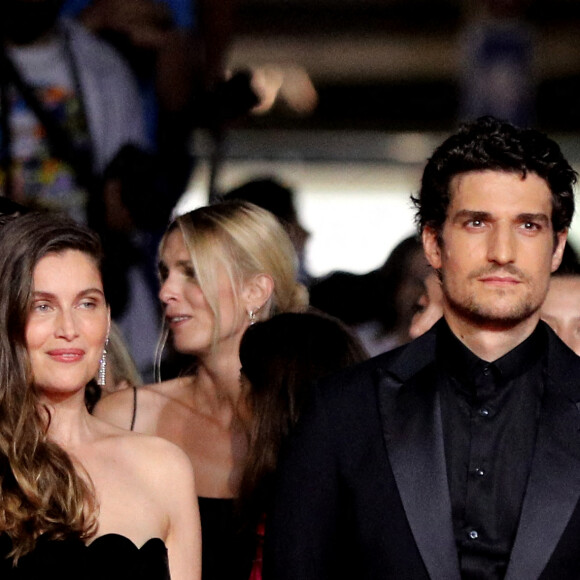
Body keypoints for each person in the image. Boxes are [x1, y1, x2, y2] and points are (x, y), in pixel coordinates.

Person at [263, 116, 580, 580]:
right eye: (477, 223)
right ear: (433, 243)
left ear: (555, 249)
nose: (503, 252)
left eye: (528, 226)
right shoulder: (342, 411)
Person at [94, 200, 308, 580]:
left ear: (255, 290)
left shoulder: (308, 417)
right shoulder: (126, 415)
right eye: (165, 273)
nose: (166, 292)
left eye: (191, 273)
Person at [0, 212, 201, 579]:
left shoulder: (163, 468)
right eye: (42, 306)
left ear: (108, 319)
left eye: (86, 304)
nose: (69, 328)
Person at [237, 310, 369, 579]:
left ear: (269, 402)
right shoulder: (372, 497)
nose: (235, 403)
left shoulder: (295, 519)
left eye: (242, 384)